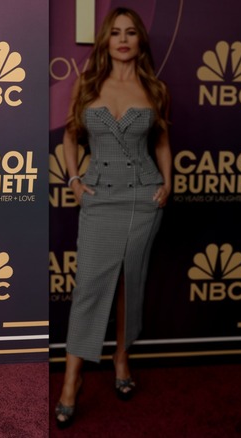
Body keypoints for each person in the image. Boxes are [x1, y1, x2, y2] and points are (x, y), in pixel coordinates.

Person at [55, 7, 172, 429]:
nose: (123, 39)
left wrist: (168, 183)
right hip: (100, 196)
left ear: (140, 41)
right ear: (106, 40)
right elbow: (70, 134)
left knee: (130, 281)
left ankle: (121, 357)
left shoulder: (154, 88)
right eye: (116, 32)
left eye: (131, 33)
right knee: (89, 285)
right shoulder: (86, 84)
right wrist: (72, 179)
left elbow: (162, 142)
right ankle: (72, 380)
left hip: (144, 197)